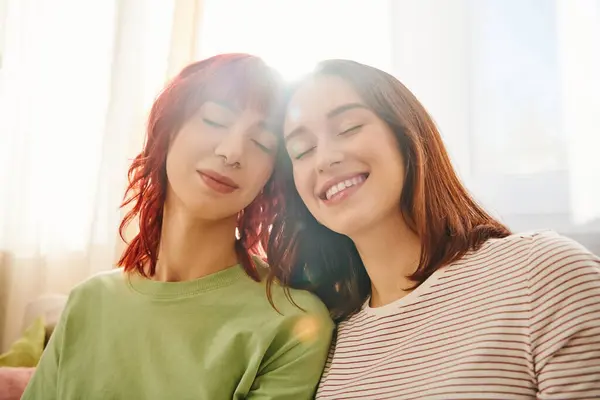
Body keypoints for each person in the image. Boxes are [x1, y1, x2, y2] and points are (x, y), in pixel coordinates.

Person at [268, 59, 600, 399]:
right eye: (302, 150)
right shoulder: (325, 339)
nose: (324, 159)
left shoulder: (542, 274)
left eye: (349, 127)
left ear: (407, 134)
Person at [22, 54, 333, 399]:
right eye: (215, 120)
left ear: (269, 177)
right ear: (168, 131)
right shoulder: (89, 301)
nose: (232, 152)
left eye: (261, 143)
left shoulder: (292, 321)